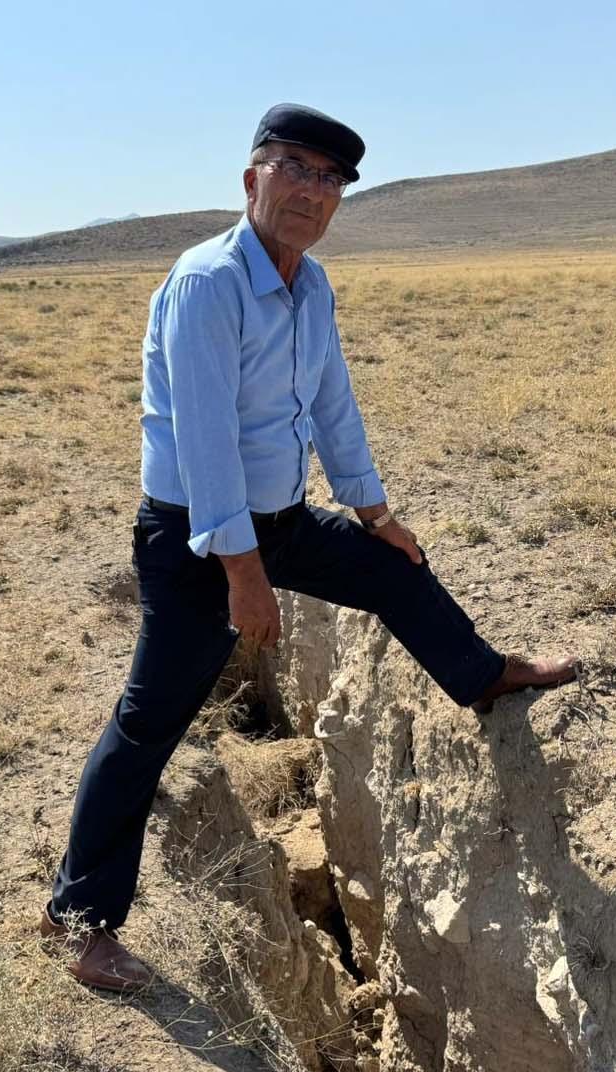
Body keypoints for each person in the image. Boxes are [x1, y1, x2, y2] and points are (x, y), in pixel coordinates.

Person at [42, 103, 579, 990]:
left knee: (396, 571)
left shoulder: (311, 285)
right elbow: (206, 440)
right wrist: (243, 575)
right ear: (252, 178)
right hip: (196, 538)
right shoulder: (207, 283)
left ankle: (483, 676)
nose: (312, 192)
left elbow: (333, 403)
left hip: (281, 521)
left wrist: (374, 513)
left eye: (330, 179)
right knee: (149, 724)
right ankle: (81, 920)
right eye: (294, 168)